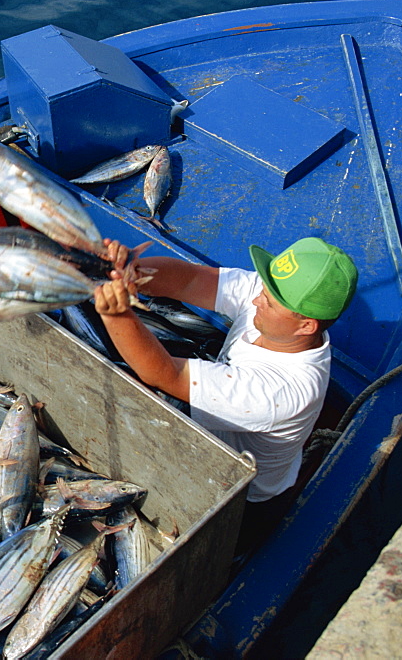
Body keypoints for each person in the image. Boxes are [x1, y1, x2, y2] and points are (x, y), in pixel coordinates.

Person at [94, 236, 358, 554]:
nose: (258, 298)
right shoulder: (276, 299)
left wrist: (115, 314)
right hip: (215, 438)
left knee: (216, 551)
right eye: (265, 288)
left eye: (270, 302)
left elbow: (164, 373)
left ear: (305, 326)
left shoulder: (281, 393)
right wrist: (132, 272)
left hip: (242, 498)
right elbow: (193, 280)